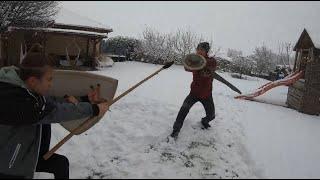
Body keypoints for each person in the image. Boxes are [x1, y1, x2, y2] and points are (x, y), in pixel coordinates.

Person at [0, 50, 109, 179]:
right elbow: (55, 112)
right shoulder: (17, 101)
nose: (51, 84)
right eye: (49, 79)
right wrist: (93, 109)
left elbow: (50, 104)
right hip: (10, 167)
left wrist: (84, 99)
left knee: (60, 164)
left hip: (29, 154)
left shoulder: (25, 89)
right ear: (33, 81)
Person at [170, 42, 217, 139]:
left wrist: (202, 63)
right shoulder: (195, 60)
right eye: (198, 49)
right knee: (183, 110)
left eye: (202, 50)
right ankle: (176, 130)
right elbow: (187, 68)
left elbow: (211, 64)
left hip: (207, 94)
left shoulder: (212, 61)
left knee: (211, 115)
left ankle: (204, 121)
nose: (199, 51)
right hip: (194, 93)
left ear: (206, 51)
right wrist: (191, 62)